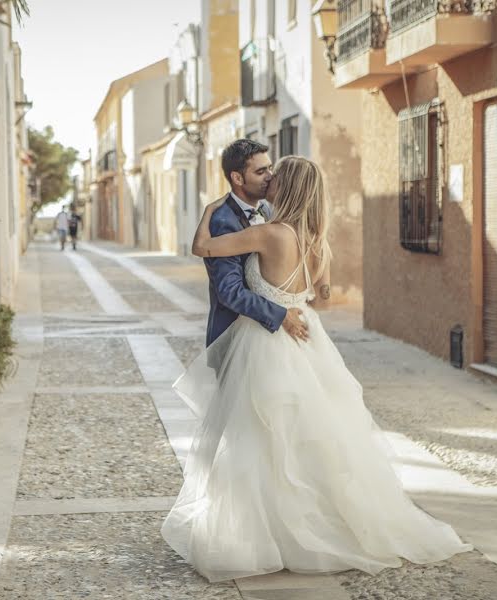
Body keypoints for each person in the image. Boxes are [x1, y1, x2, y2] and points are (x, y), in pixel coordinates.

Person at [160, 155, 472, 582]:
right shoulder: (315, 240)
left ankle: (271, 534)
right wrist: (295, 297)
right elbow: (321, 293)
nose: (267, 179)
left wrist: (209, 213)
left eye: (274, 175)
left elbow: (202, 248)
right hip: (308, 339)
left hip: (267, 345)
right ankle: (319, 525)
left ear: (284, 188)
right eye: (263, 172)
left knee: (263, 439)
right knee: (313, 436)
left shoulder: (269, 234)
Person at [201, 139, 307, 349]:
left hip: (270, 337)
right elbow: (229, 291)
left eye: (269, 168)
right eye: (260, 172)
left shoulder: (268, 210)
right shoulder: (224, 221)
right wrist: (281, 314)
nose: (270, 176)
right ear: (238, 178)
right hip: (234, 339)